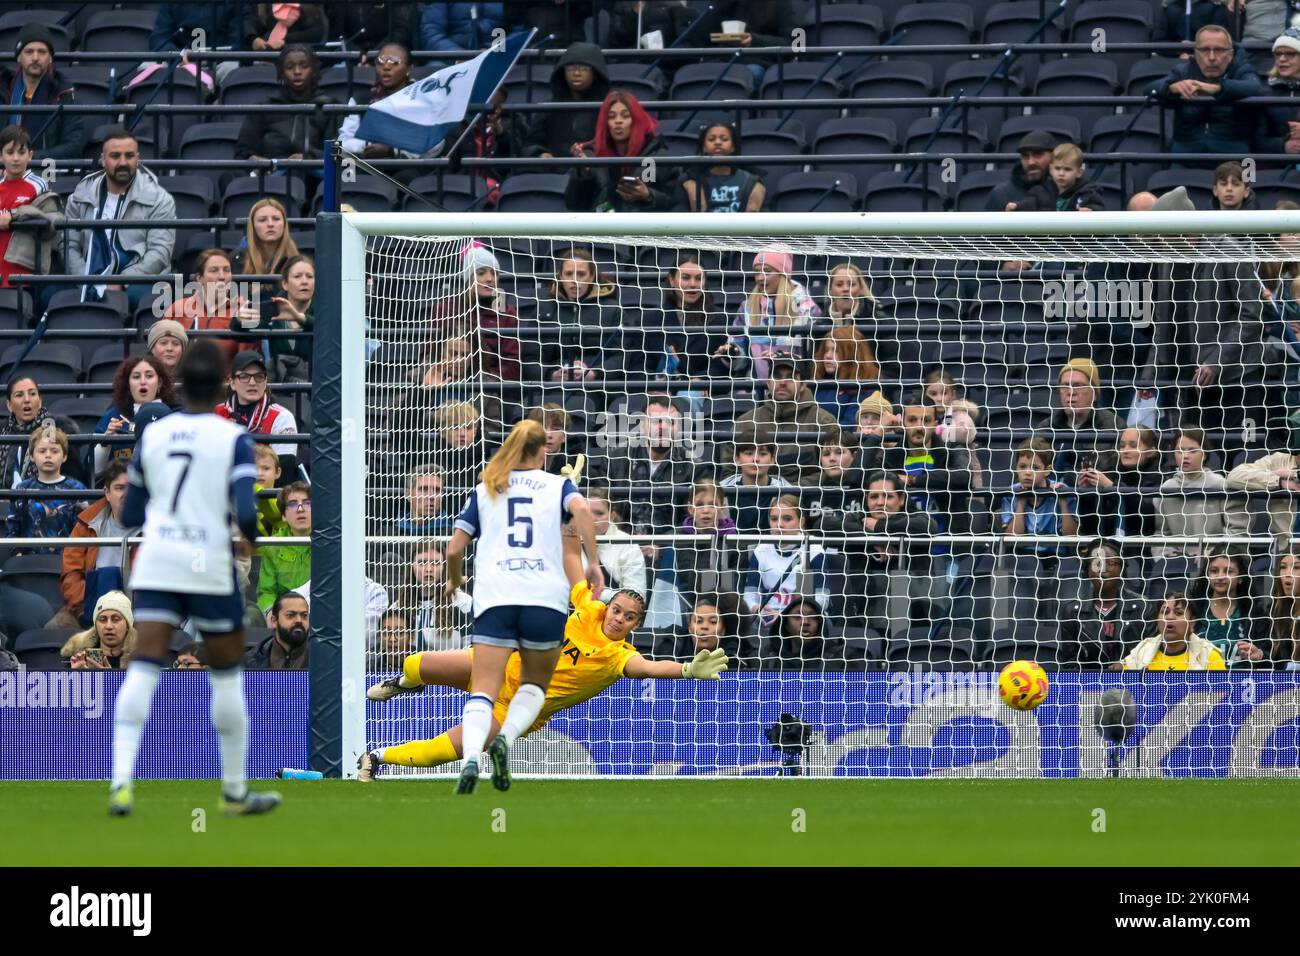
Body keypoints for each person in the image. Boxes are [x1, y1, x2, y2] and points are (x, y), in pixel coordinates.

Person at [109, 340, 279, 817]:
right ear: (224, 383)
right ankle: (233, 791)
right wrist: (251, 540)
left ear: (179, 383)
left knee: (144, 665)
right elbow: (246, 512)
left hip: (159, 558)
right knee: (225, 677)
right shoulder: (232, 437)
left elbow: (131, 515)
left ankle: (121, 782)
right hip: (207, 560)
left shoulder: (155, 436)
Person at [360, 578, 727, 779]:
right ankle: (406, 683)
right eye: (617, 609)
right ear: (609, 607)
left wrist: (685, 670)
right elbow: (571, 558)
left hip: (513, 708)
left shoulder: (619, 657)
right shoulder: (589, 610)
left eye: (629, 617)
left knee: (451, 749)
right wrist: (570, 505)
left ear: (636, 625)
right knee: (416, 663)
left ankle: (377, 758)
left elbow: (647, 668)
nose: (618, 618)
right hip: (497, 665)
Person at [425, 418, 602, 794]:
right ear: (543, 451)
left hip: (495, 598)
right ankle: (505, 737)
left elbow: (455, 548)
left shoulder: (486, 488)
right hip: (544, 601)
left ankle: (473, 756)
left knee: (483, 690)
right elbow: (583, 510)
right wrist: (593, 563)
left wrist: (454, 581)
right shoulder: (558, 485)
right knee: (535, 684)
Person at [63, 127, 176, 308]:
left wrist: (121, 282)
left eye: (129, 156)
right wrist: (86, 280)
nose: (123, 162)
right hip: (86, 274)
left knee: (136, 299)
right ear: (103, 160)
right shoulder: (80, 197)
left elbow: (159, 252)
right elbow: (69, 246)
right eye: (115, 156)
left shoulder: (159, 199)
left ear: (138, 159)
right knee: (50, 295)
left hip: (137, 279)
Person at [1156, 24, 1264, 158]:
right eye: (1205, 50)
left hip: (1234, 154)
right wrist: (1171, 87)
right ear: (1195, 53)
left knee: (1249, 177)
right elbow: (1149, 89)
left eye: (1219, 50)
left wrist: (1217, 88)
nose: (1212, 57)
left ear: (1230, 54)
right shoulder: (1183, 71)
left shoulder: (1240, 69)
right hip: (1185, 154)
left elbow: (1255, 87)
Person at [564, 90, 678, 213]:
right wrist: (583, 173)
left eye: (625, 115)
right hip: (602, 227)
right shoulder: (592, 155)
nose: (618, 121)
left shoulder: (652, 156)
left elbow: (673, 201)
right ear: (605, 123)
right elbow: (574, 204)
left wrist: (648, 195)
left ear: (636, 120)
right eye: (611, 116)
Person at [729, 355, 838, 484]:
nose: (782, 382)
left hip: (806, 499)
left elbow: (833, 471)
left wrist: (788, 493)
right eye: (777, 376)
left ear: (802, 385)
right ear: (769, 383)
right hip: (754, 497)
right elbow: (729, 471)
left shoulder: (824, 421)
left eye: (790, 377)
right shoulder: (745, 422)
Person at [55, 460, 132, 629]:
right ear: (107, 493)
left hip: (137, 613)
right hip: (89, 608)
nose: (126, 494)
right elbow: (71, 573)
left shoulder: (156, 528)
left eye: (132, 488)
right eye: (119, 488)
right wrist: (88, 607)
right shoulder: (86, 523)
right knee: (55, 628)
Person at [639, 258, 744, 382]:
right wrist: (656, 384)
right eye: (686, 278)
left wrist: (702, 379)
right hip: (657, 391)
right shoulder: (650, 320)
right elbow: (639, 365)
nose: (693, 284)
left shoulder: (721, 318)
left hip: (701, 392)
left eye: (699, 278)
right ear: (672, 280)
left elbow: (723, 364)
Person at [428, 242, 520, 382]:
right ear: (468, 278)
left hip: (492, 389)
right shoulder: (444, 309)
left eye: (494, 273)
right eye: (481, 273)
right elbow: (429, 354)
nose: (489, 279)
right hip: (445, 384)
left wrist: (484, 382)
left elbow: (512, 364)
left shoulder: (507, 312)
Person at [233, 44, 338, 166]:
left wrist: (308, 158)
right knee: (230, 177)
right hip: (271, 173)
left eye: (304, 66)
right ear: (281, 73)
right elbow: (242, 152)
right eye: (289, 67)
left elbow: (339, 152)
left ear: (314, 71)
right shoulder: (264, 108)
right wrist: (255, 160)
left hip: (313, 174)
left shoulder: (330, 107)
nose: (297, 72)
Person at [526, 247, 618, 383]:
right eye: (568, 274)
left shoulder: (612, 309)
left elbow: (621, 356)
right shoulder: (543, 309)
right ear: (560, 276)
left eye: (581, 274)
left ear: (592, 276)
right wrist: (550, 375)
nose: (574, 280)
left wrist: (595, 373)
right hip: (551, 387)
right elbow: (529, 358)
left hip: (596, 388)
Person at [1156, 427, 1248, 561]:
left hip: (1218, 559)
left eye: (1192, 450)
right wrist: (1166, 554)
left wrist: (1213, 554)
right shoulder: (1166, 488)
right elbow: (1161, 533)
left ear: (1204, 454)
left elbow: (1237, 532)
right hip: (1175, 562)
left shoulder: (1221, 485)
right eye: (1180, 451)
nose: (1185, 456)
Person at [742, 494, 830, 634]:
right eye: (774, 519)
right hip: (766, 618)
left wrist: (789, 616)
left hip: (805, 617)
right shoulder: (761, 550)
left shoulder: (814, 550)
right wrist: (757, 609)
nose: (779, 525)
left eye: (787, 519)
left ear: (801, 522)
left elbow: (822, 599)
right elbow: (749, 595)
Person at [730, 249, 820, 380]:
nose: (760, 277)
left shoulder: (808, 309)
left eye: (767, 271)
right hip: (755, 391)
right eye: (757, 272)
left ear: (782, 273)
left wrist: (782, 358)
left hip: (794, 389)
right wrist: (733, 351)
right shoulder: (747, 307)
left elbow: (814, 355)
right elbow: (738, 346)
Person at [162, 248, 262, 365]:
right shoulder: (178, 309)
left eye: (226, 270)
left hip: (225, 382)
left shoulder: (242, 309)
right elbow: (160, 355)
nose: (221, 276)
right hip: (184, 381)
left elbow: (247, 364)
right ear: (200, 279)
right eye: (214, 270)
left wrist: (243, 326)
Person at [0, 24, 85, 160]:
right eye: (29, 51)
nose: (35, 57)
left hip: (47, 173)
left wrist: (30, 158)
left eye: (42, 52)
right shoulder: (3, 89)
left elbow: (74, 145)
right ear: (18, 57)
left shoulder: (66, 93)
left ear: (50, 58)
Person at [1060, 538, 1148, 669]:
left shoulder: (1143, 607)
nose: (1103, 569)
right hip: (1088, 686)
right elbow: (1070, 665)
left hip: (1132, 682)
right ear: (1087, 570)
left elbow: (1150, 655)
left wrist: (1126, 666)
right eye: (1097, 563)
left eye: (1110, 563)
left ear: (1122, 569)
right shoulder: (1072, 611)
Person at [1035, 358, 1122, 486]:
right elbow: (1024, 472)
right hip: (1049, 499)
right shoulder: (1047, 427)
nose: (1071, 392)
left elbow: (1120, 476)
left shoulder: (1113, 425)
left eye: (1078, 386)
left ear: (1095, 394)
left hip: (1095, 500)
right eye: (1065, 386)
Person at [213, 351, 300, 477]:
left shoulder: (282, 417)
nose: (252, 382)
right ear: (232, 383)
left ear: (265, 382)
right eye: (244, 376)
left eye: (259, 377)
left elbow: (284, 472)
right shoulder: (215, 413)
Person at [92, 355, 176, 479]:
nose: (143, 381)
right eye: (136, 377)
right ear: (128, 385)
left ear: (159, 383)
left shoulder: (174, 415)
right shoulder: (114, 415)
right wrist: (105, 444)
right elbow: (94, 470)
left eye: (149, 376)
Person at [522, 41, 609, 160]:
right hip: (553, 171)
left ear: (595, 73)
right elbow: (531, 142)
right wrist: (540, 153)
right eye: (570, 68)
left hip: (592, 171)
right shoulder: (548, 108)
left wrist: (588, 155)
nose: (576, 73)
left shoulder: (608, 107)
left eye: (584, 68)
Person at [5, 426, 86, 550]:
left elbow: (83, 532)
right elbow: (14, 528)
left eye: (54, 451)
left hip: (67, 561)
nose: (48, 455)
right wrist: (18, 553)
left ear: (64, 456)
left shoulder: (77, 488)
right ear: (32, 456)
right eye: (42, 451)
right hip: (28, 561)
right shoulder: (22, 488)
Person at [1074, 425, 1163, 539]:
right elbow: (1090, 526)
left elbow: (1147, 514)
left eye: (1133, 445)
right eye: (1122, 445)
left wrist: (1112, 487)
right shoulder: (1110, 473)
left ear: (1151, 451)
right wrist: (1086, 494)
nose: (1125, 451)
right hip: (1106, 547)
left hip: (1143, 548)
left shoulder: (1160, 476)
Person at [0, 125, 61, 289]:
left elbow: (50, 221)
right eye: (9, 152)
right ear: (1, 156)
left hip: (24, 270)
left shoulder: (39, 185)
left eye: (21, 152)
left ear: (30, 155)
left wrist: (13, 216)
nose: (15, 158)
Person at [1189, 550, 1268, 667]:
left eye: (1228, 571)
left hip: (1242, 682)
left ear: (1241, 577)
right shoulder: (1194, 609)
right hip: (1200, 682)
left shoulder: (1255, 613)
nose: (1220, 576)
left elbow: (1273, 658)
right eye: (1214, 571)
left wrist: (1260, 655)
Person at [0, 376, 81, 488]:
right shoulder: (2, 430)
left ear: (40, 400)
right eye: (19, 395)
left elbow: (73, 475)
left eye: (32, 394)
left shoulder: (60, 427)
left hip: (49, 500)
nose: (27, 400)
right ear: (9, 405)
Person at [390, 541, 469, 652]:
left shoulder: (462, 603)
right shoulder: (397, 607)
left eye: (436, 563)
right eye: (422, 563)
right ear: (411, 567)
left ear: (444, 567)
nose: (428, 569)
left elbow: (472, 653)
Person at [675, 480, 743, 608]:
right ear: (690, 509)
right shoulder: (674, 539)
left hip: (720, 612)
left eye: (712, 504)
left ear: (722, 508)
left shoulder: (735, 544)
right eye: (700, 504)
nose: (706, 510)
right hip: (679, 610)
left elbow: (736, 589)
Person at [1122, 591, 1227, 670]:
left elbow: (1219, 693)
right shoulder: (1140, 652)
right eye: (1165, 612)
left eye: (1178, 613)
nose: (1169, 617)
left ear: (1192, 623)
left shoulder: (1208, 655)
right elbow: (1124, 694)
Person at [678, 122, 766, 213]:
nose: (717, 142)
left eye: (724, 139)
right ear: (704, 147)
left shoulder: (751, 181)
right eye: (711, 139)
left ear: (733, 147)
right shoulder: (690, 180)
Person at [718, 432, 793, 534]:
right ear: (737, 459)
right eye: (749, 453)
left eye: (763, 454)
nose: (755, 459)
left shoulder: (786, 490)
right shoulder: (721, 490)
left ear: (772, 459)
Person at [763, 597, 865, 672]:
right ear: (785, 625)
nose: (805, 622)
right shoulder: (766, 657)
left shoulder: (842, 658)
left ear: (820, 624)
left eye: (812, 617)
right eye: (797, 617)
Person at [581, 485, 647, 599]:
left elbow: (637, 596)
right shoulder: (569, 541)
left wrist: (594, 596)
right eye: (587, 512)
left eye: (599, 513)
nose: (592, 518)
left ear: (612, 516)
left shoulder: (628, 545)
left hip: (613, 614)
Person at [255, 481, 311, 612]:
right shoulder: (272, 545)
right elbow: (267, 592)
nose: (300, 509)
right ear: (284, 516)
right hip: (283, 614)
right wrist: (270, 612)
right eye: (292, 504)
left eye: (307, 503)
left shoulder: (329, 542)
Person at [811, 326, 880, 426]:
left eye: (836, 351)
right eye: (826, 350)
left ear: (852, 354)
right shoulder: (818, 382)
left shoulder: (865, 389)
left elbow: (848, 426)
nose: (828, 356)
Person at [1005, 143, 1105, 212]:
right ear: (1051, 169)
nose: (1061, 173)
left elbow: (1098, 209)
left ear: (1079, 172)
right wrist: (1016, 207)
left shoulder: (1088, 192)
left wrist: (1092, 211)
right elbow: (1028, 204)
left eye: (1067, 169)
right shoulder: (1039, 191)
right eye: (1057, 168)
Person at [60, 591, 136, 670]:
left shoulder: (142, 661)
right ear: (95, 625)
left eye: (115, 619)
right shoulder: (79, 657)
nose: (108, 626)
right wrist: (78, 676)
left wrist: (108, 678)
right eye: (102, 619)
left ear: (128, 625)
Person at [1254, 28, 1300, 156]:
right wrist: (1283, 146)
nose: (1282, 59)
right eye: (1278, 54)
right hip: (1279, 167)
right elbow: (1257, 141)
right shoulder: (1264, 93)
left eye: (1290, 54)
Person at [268, 253, 314, 377]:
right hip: (280, 386)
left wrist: (302, 319)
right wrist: (240, 320)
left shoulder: (324, 307)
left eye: (309, 276)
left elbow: (328, 326)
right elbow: (241, 329)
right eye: (297, 276)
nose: (304, 282)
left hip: (314, 385)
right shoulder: (275, 306)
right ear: (285, 284)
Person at [984, 131, 1055, 211]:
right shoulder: (1001, 195)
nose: (1031, 162)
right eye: (1025, 156)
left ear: (1053, 156)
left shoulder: (1068, 192)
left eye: (1038, 154)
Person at [232, 198, 300, 278]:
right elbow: (242, 290)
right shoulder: (239, 259)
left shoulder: (297, 262)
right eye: (262, 220)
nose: (270, 224)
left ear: (284, 224)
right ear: (253, 226)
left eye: (276, 219)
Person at [242, 591, 311, 670]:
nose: (299, 620)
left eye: (304, 615)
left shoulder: (324, 659)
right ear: (274, 621)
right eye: (290, 615)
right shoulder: (249, 663)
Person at [418, 2, 508, 57]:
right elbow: (431, 32)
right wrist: (458, 55)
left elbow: (519, 30)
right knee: (434, 69)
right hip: (449, 59)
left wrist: (494, 52)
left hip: (499, 55)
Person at [1266, 547, 1300, 670]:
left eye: (1296, 568)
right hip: (1283, 685)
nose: (1287, 574)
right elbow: (1274, 661)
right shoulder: (1273, 611)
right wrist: (1260, 655)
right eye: (1283, 567)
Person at [393, 465, 451, 536]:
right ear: (408, 494)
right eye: (424, 489)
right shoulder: (388, 535)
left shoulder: (454, 536)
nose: (431, 496)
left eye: (437, 490)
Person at [243, 3, 329, 50]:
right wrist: (253, 38)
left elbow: (317, 33)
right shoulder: (266, 5)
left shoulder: (309, 7)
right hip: (269, 55)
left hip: (300, 55)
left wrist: (285, 40)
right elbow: (254, 22)